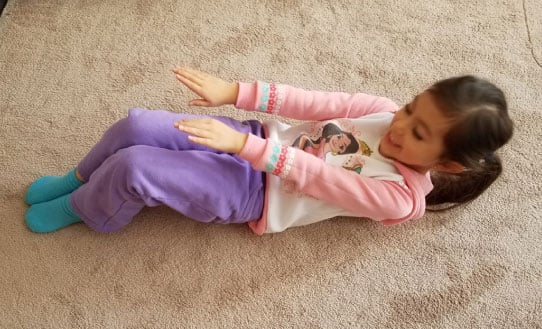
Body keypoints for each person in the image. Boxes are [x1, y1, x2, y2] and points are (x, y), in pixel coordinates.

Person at [24, 67, 514, 234]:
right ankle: (82, 178)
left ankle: (87, 210)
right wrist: (235, 91)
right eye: (411, 108)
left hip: (260, 193)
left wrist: (242, 148)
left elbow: (321, 179)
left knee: (136, 167)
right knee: (136, 123)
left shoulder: (399, 200)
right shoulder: (383, 111)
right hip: (259, 135)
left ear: (446, 164)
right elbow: (317, 101)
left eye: (420, 133)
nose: (400, 125)